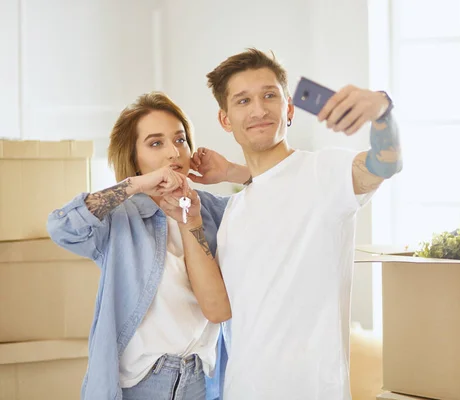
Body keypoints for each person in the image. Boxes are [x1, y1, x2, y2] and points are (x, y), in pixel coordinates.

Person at [194, 48, 403, 399]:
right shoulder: (234, 211)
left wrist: (383, 109)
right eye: (243, 101)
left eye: (269, 96)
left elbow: (386, 163)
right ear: (225, 120)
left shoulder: (325, 173)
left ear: (288, 109)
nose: (259, 109)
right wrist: (233, 171)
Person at [47, 92, 250, 400]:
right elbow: (61, 227)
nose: (173, 153)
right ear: (135, 159)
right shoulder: (120, 217)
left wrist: (233, 172)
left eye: (180, 140)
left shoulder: (212, 211)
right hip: (141, 384)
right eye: (156, 143)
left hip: (200, 383)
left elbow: (282, 199)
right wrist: (136, 185)